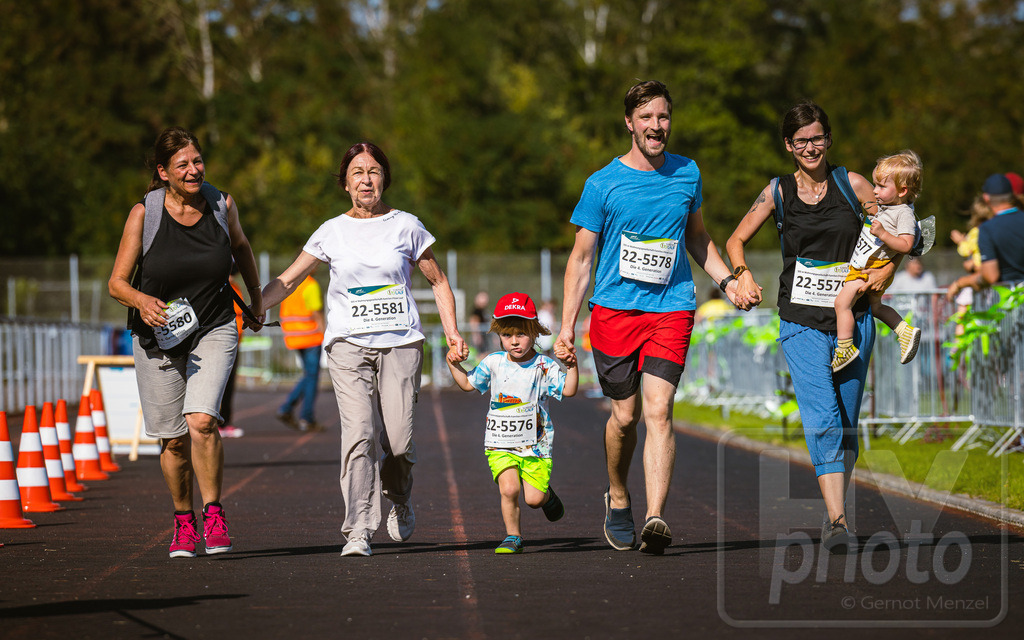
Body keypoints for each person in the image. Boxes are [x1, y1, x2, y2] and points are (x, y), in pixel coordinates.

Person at [556, 80, 741, 555]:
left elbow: (699, 239)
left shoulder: (688, 173)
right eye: (647, 118)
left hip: (672, 308)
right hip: (615, 312)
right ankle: (618, 496)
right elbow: (580, 260)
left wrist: (730, 280)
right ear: (629, 123)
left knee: (659, 410)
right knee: (625, 415)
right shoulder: (602, 184)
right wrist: (566, 329)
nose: (656, 126)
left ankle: (655, 516)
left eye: (663, 117)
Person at [257, 141, 468, 558]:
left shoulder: (406, 225)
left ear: (384, 178)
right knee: (359, 436)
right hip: (348, 346)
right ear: (345, 182)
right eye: (357, 172)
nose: (366, 179)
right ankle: (358, 529)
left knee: (400, 442)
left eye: (373, 171)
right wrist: (253, 307)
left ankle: (400, 498)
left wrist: (454, 333)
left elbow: (438, 281)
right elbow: (289, 280)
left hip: (400, 345)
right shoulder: (331, 230)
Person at [725, 101, 895, 553]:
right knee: (821, 418)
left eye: (817, 138)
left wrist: (886, 271)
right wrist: (740, 272)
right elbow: (735, 239)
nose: (810, 147)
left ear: (829, 139)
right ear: (788, 145)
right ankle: (839, 521)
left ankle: (833, 506)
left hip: (853, 318)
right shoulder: (777, 192)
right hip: (800, 319)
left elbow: (897, 231)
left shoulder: (852, 183)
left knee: (846, 421)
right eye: (800, 141)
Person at [108, 126, 262, 558]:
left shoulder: (220, 203)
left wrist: (256, 300)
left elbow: (243, 247)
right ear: (163, 172)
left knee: (202, 421)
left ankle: (213, 513)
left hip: (213, 326)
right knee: (173, 438)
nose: (194, 170)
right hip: (156, 336)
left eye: (197, 161)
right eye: (183, 165)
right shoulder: (145, 214)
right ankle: (183, 520)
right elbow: (116, 282)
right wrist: (141, 300)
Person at [446, 292, 578, 554]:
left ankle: (547, 496)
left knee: (534, 499)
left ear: (535, 332)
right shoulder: (493, 363)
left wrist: (571, 366)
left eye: (521, 334)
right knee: (508, 489)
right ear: (498, 335)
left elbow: (570, 390)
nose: (514, 341)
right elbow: (466, 384)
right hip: (500, 443)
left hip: (535, 445)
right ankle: (512, 536)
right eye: (507, 336)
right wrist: (454, 364)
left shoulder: (544, 365)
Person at [831, 151, 923, 372]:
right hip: (867, 265)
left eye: (881, 186)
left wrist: (882, 233)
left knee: (841, 304)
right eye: (875, 184)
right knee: (877, 308)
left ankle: (845, 348)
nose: (874, 190)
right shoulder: (890, 208)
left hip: (870, 269)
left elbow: (906, 245)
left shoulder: (904, 214)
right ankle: (904, 330)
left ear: (902, 191)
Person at [947, 173, 1024, 301]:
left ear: (986, 198)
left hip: (1010, 303)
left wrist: (962, 282)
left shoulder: (987, 229)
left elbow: (990, 276)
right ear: (1012, 196)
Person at [276, 269, 326, 433]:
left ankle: (288, 408)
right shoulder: (310, 285)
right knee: (311, 377)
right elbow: (316, 312)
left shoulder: (291, 286)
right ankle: (306, 417)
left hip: (294, 337)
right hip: (311, 336)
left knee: (308, 376)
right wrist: (326, 334)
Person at [218, 266, 246, 438]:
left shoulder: (235, 287)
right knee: (218, 384)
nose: (231, 277)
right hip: (220, 341)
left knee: (229, 384)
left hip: (235, 341)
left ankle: (226, 421)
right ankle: (216, 421)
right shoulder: (217, 288)